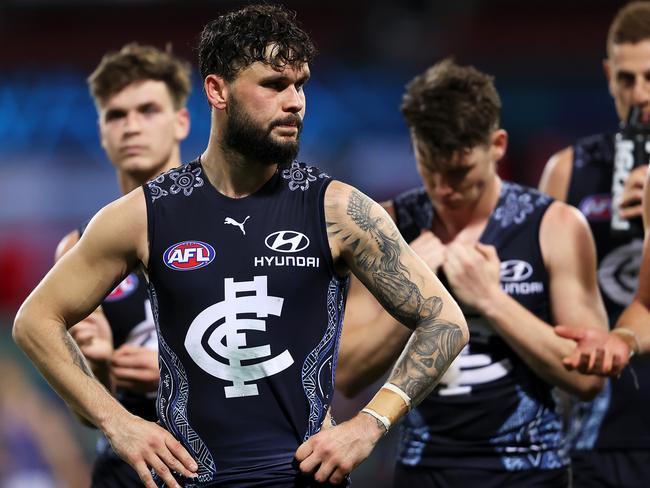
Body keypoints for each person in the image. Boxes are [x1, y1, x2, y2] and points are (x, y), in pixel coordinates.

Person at [12, 5, 468, 488]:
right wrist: (118, 422)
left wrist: (369, 424)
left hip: (302, 479)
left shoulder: (337, 210)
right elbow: (34, 321)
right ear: (217, 90)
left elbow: (445, 319)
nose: (294, 102)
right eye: (274, 84)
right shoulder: (144, 214)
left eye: (301, 84)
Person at [336, 58, 607, 487]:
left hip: (531, 471)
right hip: (422, 471)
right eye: (430, 166)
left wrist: (491, 301)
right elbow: (346, 372)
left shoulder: (554, 226)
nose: (444, 187)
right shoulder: (387, 226)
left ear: (497, 145)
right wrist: (417, 289)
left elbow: (588, 378)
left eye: (459, 170)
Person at [53, 43, 192, 486]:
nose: (131, 126)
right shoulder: (78, 248)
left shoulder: (234, 223)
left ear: (181, 122)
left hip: (222, 458)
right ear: (101, 132)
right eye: (116, 115)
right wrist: (97, 366)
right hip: (127, 468)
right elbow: (86, 415)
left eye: (148, 110)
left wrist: (179, 373)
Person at [540, 2, 650, 486]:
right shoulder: (568, 169)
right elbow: (533, 295)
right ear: (608, 76)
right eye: (626, 79)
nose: (640, 96)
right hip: (599, 432)